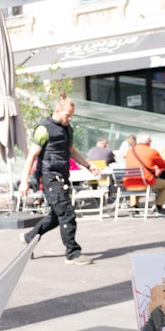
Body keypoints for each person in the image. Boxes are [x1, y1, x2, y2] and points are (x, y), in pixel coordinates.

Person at [18, 95, 100, 265]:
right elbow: (32, 156)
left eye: (71, 115)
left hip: (62, 176)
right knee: (67, 214)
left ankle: (29, 237)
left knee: (57, 216)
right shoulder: (44, 129)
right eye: (67, 115)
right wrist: (24, 181)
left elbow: (72, 151)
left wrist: (88, 166)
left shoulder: (67, 128)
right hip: (50, 176)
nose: (69, 119)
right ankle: (73, 253)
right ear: (57, 111)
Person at [124, 132, 165, 214]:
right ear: (148, 141)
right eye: (150, 140)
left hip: (128, 184)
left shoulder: (129, 152)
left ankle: (134, 206)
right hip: (145, 183)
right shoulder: (151, 151)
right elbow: (163, 165)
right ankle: (158, 206)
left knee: (134, 181)